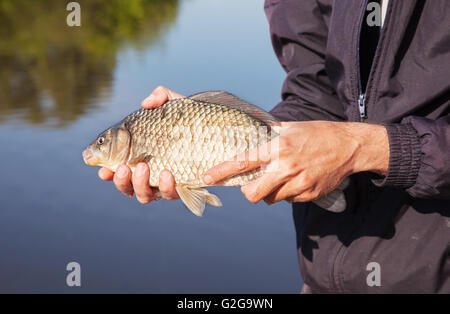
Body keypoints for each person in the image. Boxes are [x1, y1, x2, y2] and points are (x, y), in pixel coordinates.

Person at [99, 0, 450, 293]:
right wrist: (204, 132)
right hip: (323, 276)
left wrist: (371, 148)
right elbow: (314, 88)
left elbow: (357, 140)